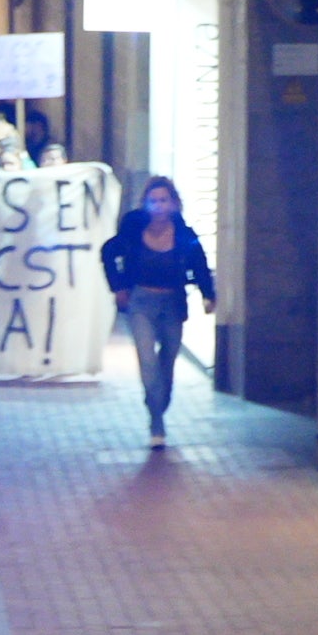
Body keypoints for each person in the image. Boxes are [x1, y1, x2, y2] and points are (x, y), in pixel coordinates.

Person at [101, 176, 217, 448]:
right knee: (148, 361)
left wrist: (208, 294)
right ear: (145, 204)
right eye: (153, 201)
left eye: (164, 200)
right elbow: (108, 251)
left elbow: (199, 264)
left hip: (172, 303)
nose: (158, 206)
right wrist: (118, 287)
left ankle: (158, 402)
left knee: (167, 362)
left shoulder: (185, 235)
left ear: (174, 204)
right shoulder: (133, 230)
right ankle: (157, 423)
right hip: (141, 301)